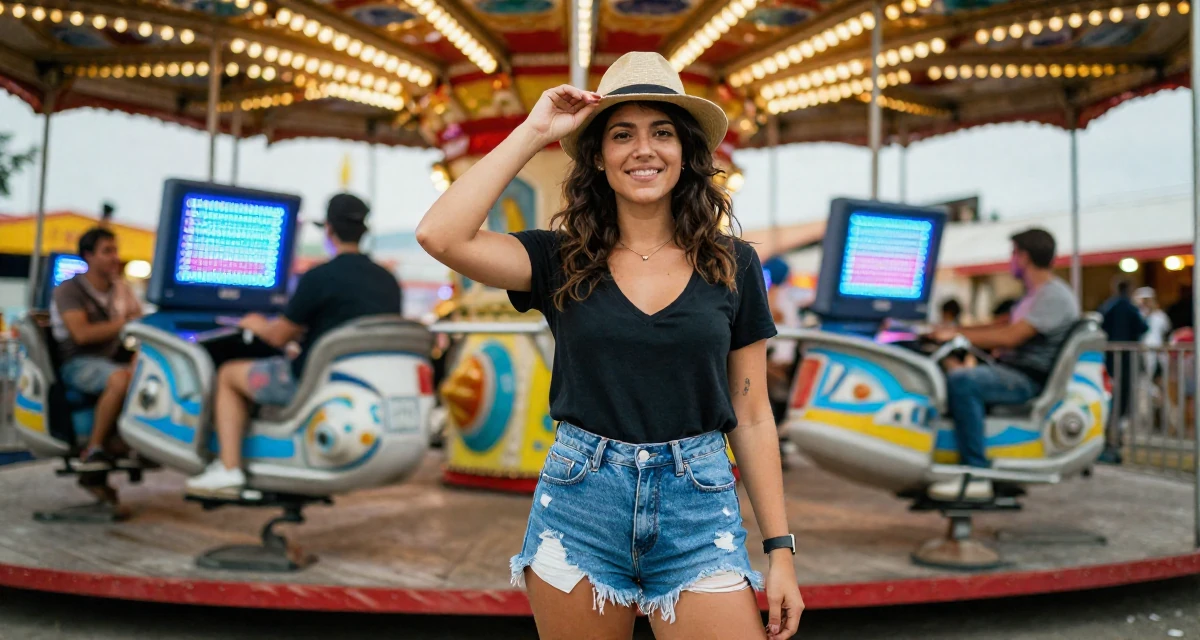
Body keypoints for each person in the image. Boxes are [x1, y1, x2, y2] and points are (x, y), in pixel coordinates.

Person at [415, 52, 803, 640]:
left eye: (662, 132)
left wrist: (780, 550)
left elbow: (751, 415)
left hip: (699, 506)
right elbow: (438, 234)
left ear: (686, 152)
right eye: (623, 134)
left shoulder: (732, 264)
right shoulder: (560, 257)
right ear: (598, 156)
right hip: (581, 501)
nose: (643, 150)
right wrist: (535, 131)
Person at [185, 193, 402, 496]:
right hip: (361, 386)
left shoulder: (319, 277)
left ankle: (229, 468)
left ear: (328, 230)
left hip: (314, 382)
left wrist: (253, 322)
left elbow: (277, 336)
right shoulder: (387, 280)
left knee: (229, 375)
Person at [927, 228, 1079, 501]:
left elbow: (1011, 336)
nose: (1010, 260)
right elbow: (1000, 324)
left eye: (1013, 254)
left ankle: (976, 473)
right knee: (946, 371)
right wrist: (948, 330)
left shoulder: (1053, 296)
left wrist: (956, 335)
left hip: (1027, 378)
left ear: (1024, 257)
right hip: (1014, 371)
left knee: (963, 382)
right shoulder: (1034, 295)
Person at [50, 227, 142, 470]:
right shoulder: (69, 290)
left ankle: (126, 443)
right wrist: (125, 324)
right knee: (120, 379)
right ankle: (95, 449)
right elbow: (81, 334)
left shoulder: (120, 288)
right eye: (107, 251)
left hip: (109, 360)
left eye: (115, 250)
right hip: (77, 363)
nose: (114, 257)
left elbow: (139, 322)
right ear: (88, 256)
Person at [1135, 286, 1172, 379]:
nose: (1146, 303)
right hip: (1140, 352)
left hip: (1159, 351)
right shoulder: (1137, 315)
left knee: (1160, 378)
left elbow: (1167, 332)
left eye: (1148, 300)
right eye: (1144, 300)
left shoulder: (1160, 316)